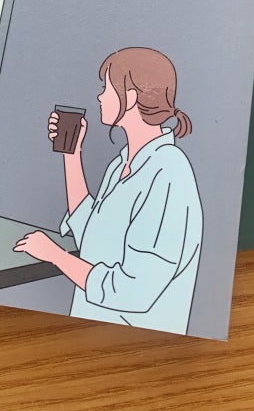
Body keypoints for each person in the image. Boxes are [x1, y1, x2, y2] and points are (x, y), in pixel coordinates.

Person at [13, 47, 203, 335]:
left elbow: (134, 291)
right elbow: (91, 236)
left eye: (107, 88)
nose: (100, 97)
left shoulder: (168, 172)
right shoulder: (121, 164)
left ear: (132, 97)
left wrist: (56, 256)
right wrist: (71, 154)